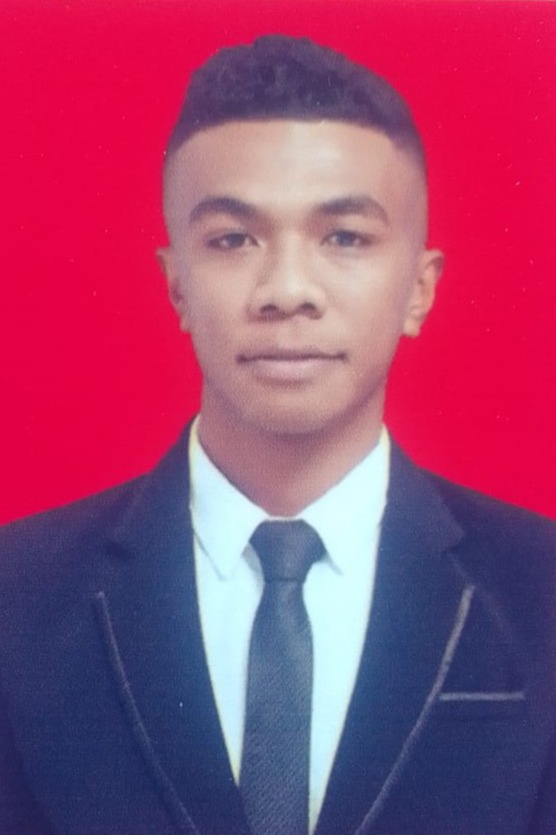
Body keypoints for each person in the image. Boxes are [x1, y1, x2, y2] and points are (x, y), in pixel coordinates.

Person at [0, 34, 555, 835]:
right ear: (176, 285)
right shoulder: (17, 594)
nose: (287, 290)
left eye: (345, 237)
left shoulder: (540, 589)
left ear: (419, 288)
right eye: (233, 239)